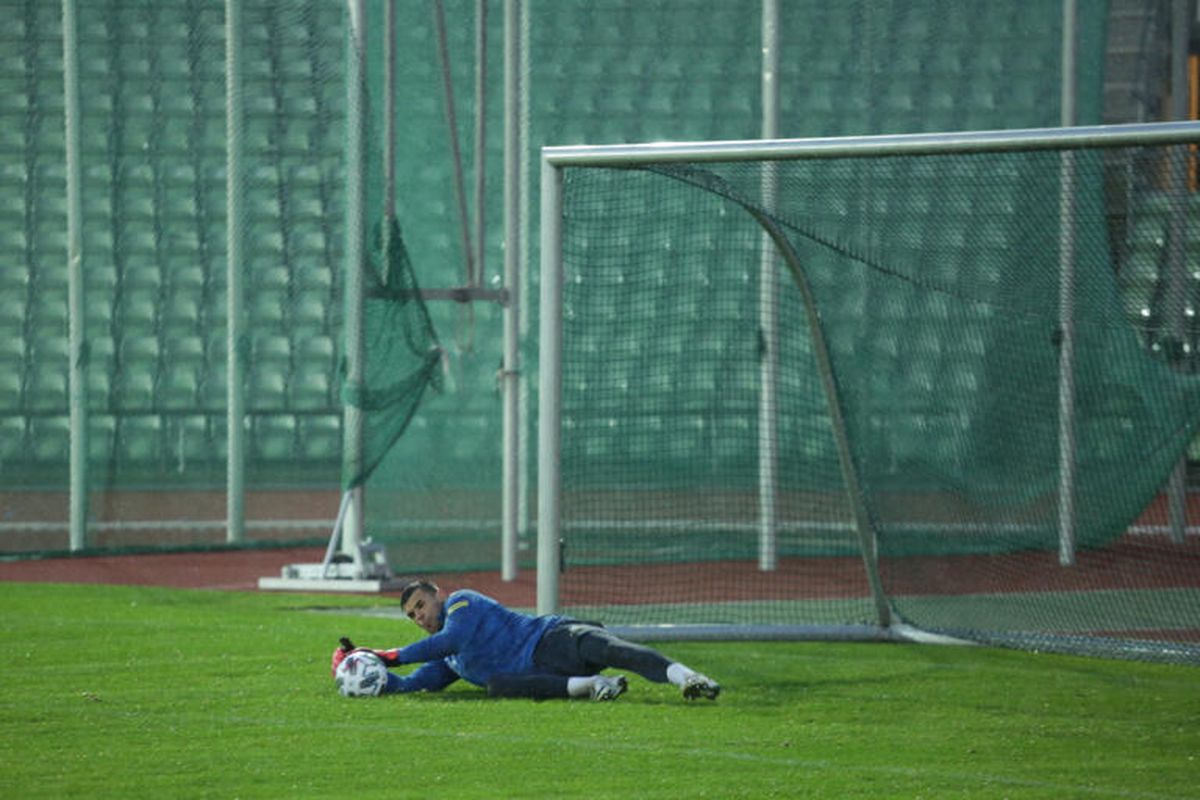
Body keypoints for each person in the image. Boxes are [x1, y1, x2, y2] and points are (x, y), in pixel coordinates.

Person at [331, 578, 721, 702]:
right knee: (496, 685)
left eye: (420, 606)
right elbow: (416, 682)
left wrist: (386, 654)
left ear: (438, 596)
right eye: (412, 615)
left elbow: (450, 641)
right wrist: (368, 676)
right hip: (545, 673)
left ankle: (687, 677)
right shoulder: (449, 663)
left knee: (614, 650)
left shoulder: (464, 603)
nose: (419, 617)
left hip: (552, 638)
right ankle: (596, 686)